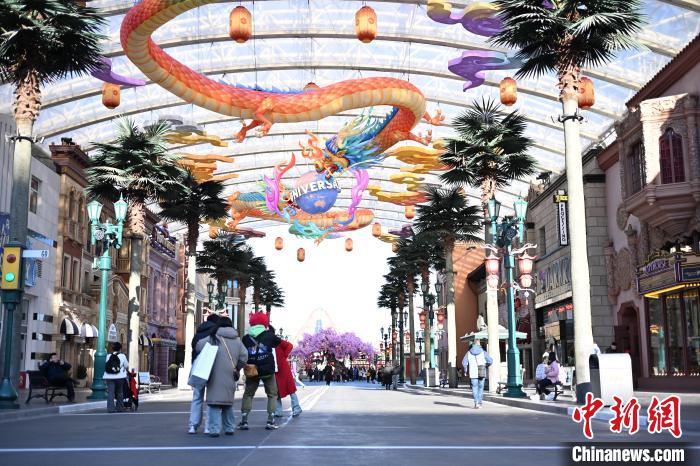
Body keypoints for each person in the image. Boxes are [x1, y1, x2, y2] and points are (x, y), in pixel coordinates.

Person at [195, 317, 247, 437]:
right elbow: (244, 356)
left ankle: (214, 429)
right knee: (227, 403)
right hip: (230, 375)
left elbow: (198, 346)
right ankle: (229, 427)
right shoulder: (237, 340)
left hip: (214, 375)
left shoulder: (213, 338)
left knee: (214, 403)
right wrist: (237, 367)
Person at [239, 312, 281, 431]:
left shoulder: (246, 338)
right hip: (267, 370)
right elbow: (278, 344)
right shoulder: (269, 335)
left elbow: (243, 353)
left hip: (252, 369)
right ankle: (270, 420)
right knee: (272, 394)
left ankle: (244, 420)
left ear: (251, 322)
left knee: (248, 394)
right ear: (265, 322)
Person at [188, 313, 220, 434]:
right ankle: (208, 427)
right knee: (211, 399)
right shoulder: (215, 334)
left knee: (197, 397)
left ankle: (193, 425)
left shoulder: (197, 334)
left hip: (198, 368)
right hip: (212, 368)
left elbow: (194, 351)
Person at [273, 339, 302, 418]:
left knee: (291, 389)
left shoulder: (277, 341)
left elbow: (290, 345)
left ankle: (296, 408)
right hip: (274, 370)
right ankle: (278, 411)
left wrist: (284, 355)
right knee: (275, 390)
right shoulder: (266, 344)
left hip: (283, 368)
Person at [462, 338, 493, 409]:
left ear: (473, 344)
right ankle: (480, 402)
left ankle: (476, 402)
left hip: (473, 372)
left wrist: (466, 370)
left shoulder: (468, 353)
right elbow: (490, 361)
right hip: (481, 371)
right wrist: (486, 365)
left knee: (474, 387)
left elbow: (464, 362)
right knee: (481, 388)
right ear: (479, 344)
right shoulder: (483, 352)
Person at [103, 341, 129, 413]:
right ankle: (119, 408)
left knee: (110, 393)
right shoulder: (122, 356)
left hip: (109, 377)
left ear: (112, 349)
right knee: (120, 392)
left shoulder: (108, 356)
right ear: (120, 349)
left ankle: (111, 409)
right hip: (120, 377)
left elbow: (106, 365)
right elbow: (126, 365)